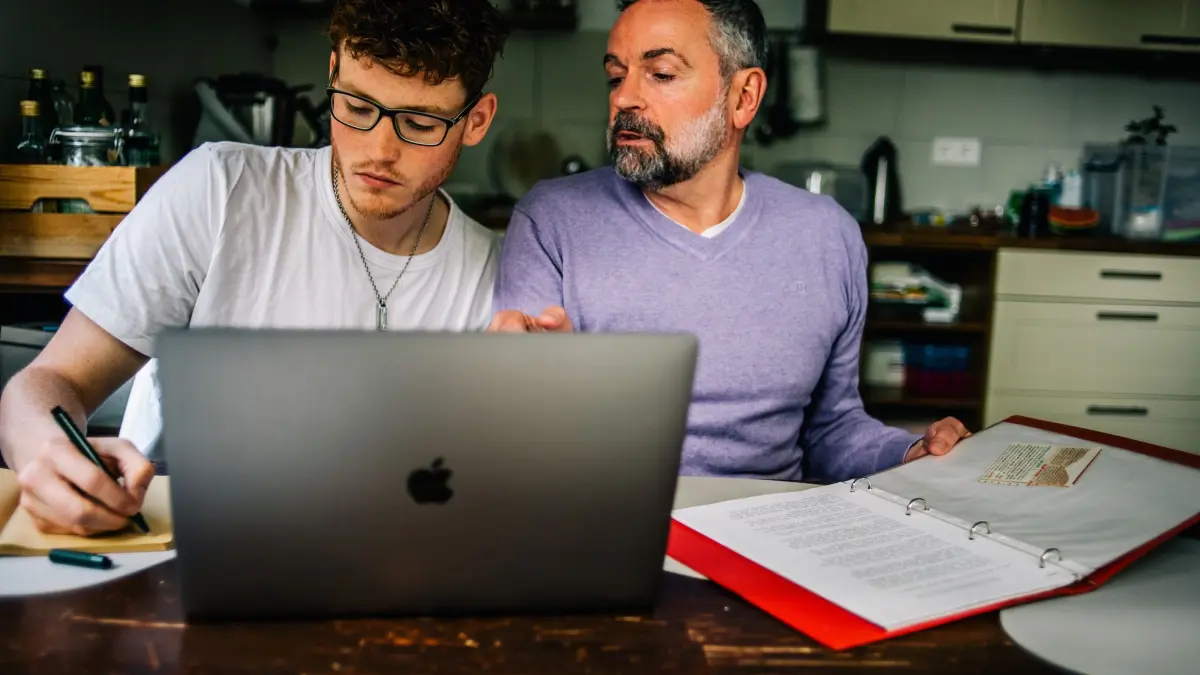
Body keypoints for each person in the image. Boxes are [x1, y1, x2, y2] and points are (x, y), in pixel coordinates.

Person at [0, 0, 510, 535]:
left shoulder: (495, 277)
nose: (379, 150)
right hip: (172, 549)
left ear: (475, 121)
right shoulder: (220, 189)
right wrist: (46, 453)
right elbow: (50, 381)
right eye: (357, 108)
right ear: (333, 74)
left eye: (419, 123)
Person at [490, 0, 969, 482]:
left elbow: (831, 429)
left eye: (661, 74)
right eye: (616, 77)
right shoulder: (551, 220)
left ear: (743, 97)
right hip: (616, 517)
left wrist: (912, 452)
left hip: (773, 522)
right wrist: (553, 392)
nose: (624, 98)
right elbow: (517, 440)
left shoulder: (827, 235)